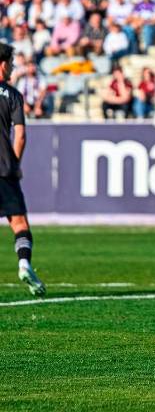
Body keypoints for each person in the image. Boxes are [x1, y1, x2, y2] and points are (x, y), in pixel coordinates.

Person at [0, 44, 45, 297]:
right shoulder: (13, 95)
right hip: (4, 167)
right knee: (19, 222)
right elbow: (21, 136)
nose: (13, 67)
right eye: (11, 63)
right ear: (2, 63)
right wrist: (14, 163)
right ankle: (24, 264)